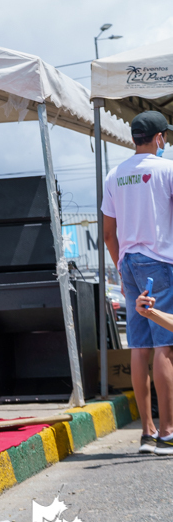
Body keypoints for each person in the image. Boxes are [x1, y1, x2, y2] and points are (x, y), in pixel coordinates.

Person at [102, 111, 173, 455]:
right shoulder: (167, 169)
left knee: (139, 347)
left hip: (128, 263)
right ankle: (168, 432)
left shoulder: (114, 175)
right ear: (159, 138)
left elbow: (107, 234)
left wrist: (119, 264)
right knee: (165, 346)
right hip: (159, 263)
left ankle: (146, 433)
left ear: (134, 137)